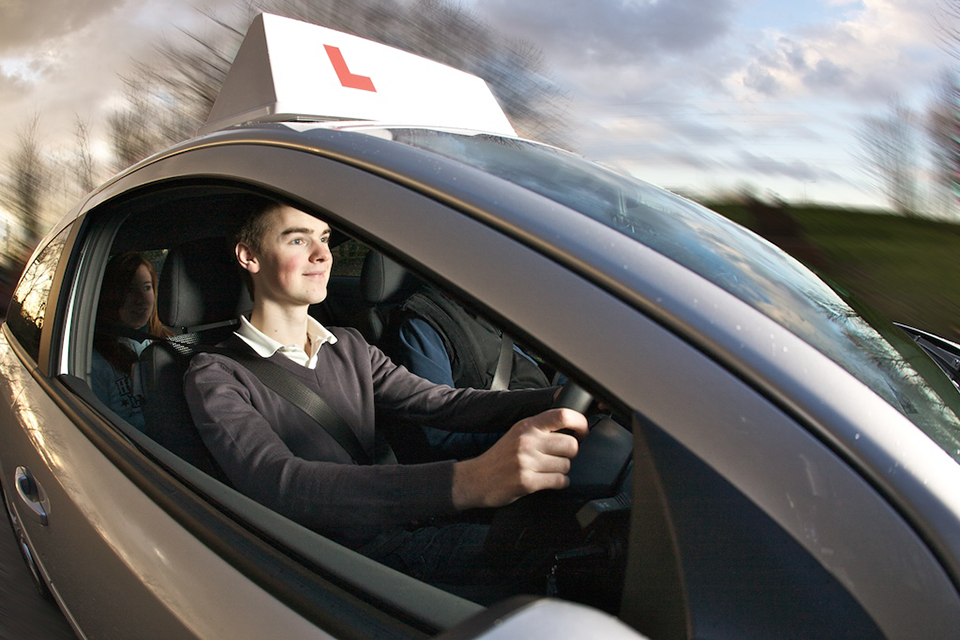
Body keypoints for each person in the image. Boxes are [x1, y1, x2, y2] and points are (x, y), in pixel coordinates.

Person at [183, 199, 587, 601]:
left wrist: (554, 398)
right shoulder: (217, 373)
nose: (323, 254)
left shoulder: (349, 346)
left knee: (571, 556)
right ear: (249, 255)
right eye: (297, 240)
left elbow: (443, 403)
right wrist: (469, 481)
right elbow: (281, 482)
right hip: (330, 567)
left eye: (324, 239)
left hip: (403, 534)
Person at [381, 284, 551, 462]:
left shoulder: (486, 306)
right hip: (508, 455)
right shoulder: (423, 325)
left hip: (541, 411)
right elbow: (440, 436)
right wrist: (528, 436)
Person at [92, 251, 172, 430]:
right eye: (129, 290)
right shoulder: (97, 361)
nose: (140, 300)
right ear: (112, 296)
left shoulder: (173, 344)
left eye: (146, 288)